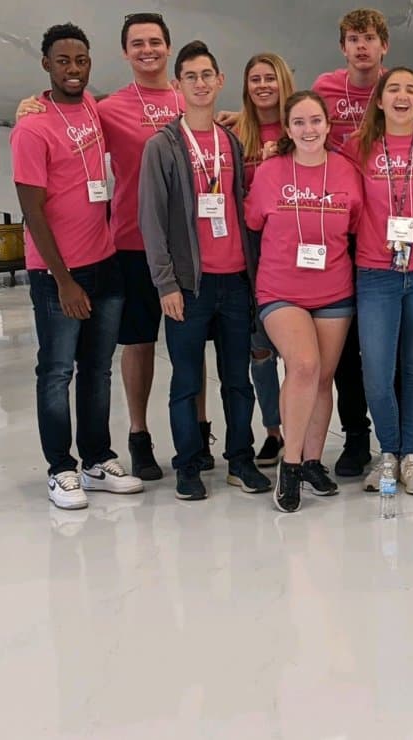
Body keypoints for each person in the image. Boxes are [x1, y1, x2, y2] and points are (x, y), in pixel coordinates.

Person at [14, 14, 214, 483]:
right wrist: (31, 105)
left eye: (156, 42)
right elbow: (61, 110)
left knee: (188, 348)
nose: (148, 50)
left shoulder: (191, 97)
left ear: (169, 47)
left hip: (191, 247)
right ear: (125, 53)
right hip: (130, 244)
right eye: (137, 44)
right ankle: (138, 438)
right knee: (136, 344)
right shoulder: (105, 107)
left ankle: (200, 434)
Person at [11, 22, 143, 509]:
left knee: (97, 369)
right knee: (56, 371)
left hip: (104, 262)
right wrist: (63, 279)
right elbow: (32, 209)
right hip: (57, 275)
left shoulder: (91, 106)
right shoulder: (31, 126)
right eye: (63, 60)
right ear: (46, 64)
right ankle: (60, 469)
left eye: (81, 60)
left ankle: (96, 459)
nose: (73, 69)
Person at [138, 41, 270, 501]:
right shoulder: (162, 147)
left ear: (219, 82)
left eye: (206, 75)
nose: (199, 83)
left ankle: (240, 459)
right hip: (189, 288)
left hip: (234, 282)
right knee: (187, 381)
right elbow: (151, 221)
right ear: (177, 85)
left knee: (238, 380)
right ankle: (189, 464)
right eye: (190, 76)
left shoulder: (230, 141)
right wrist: (166, 283)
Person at [246, 91, 364, 512]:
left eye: (315, 121)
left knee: (323, 377)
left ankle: (313, 461)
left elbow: (354, 223)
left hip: (334, 288)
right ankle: (290, 464)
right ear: (287, 129)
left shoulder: (347, 172)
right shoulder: (270, 172)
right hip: (281, 288)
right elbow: (255, 220)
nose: (308, 130)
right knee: (303, 366)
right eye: (299, 122)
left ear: (328, 125)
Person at [342, 67, 413, 496]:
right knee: (376, 371)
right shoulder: (358, 147)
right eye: (394, 89)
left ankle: (410, 456)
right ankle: (387, 452)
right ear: (380, 101)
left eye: (411, 89)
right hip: (376, 272)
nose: (403, 96)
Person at [311, 9, 389, 477]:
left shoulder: (401, 88)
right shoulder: (325, 88)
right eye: (354, 39)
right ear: (343, 47)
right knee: (345, 349)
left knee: (386, 347)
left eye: (370, 39)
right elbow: (292, 115)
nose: (362, 47)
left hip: (386, 230)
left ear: (385, 46)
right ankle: (356, 437)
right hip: (338, 232)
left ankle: (397, 437)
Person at [234, 53, 295, 468]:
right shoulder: (235, 133)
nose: (262, 86)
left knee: (298, 347)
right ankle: (272, 430)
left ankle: (299, 429)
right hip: (249, 248)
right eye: (254, 79)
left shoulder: (299, 128)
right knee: (259, 346)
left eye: (269, 78)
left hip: (292, 246)